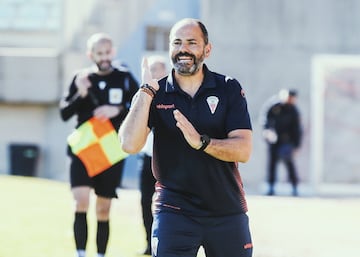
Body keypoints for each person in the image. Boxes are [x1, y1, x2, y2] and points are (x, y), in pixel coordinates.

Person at [119, 18, 253, 257]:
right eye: (177, 42)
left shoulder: (228, 88)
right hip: (174, 211)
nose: (184, 49)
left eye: (192, 43)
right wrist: (145, 92)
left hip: (226, 210)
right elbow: (128, 144)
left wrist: (202, 142)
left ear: (207, 49)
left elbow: (243, 150)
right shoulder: (155, 93)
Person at [59, 33, 138, 257]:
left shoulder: (124, 78)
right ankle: (80, 253)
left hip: (111, 151)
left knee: (103, 208)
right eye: (99, 54)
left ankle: (100, 254)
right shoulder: (81, 78)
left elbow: (140, 106)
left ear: (113, 51)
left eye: (107, 53)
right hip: (83, 149)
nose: (103, 58)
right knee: (81, 201)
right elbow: (64, 113)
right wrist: (81, 93)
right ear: (90, 55)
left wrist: (118, 109)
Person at [138, 56, 168, 255]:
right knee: (144, 201)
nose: (156, 73)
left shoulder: (170, 95)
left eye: (160, 69)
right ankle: (149, 242)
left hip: (165, 159)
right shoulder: (144, 95)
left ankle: (163, 241)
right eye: (153, 69)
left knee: (165, 202)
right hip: (146, 157)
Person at [262, 89, 302, 196]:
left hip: (286, 142)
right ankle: (271, 187)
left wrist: (296, 146)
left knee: (289, 164)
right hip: (274, 141)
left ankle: (294, 188)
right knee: (272, 165)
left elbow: (297, 129)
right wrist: (267, 131)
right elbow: (266, 121)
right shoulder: (274, 107)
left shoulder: (294, 110)